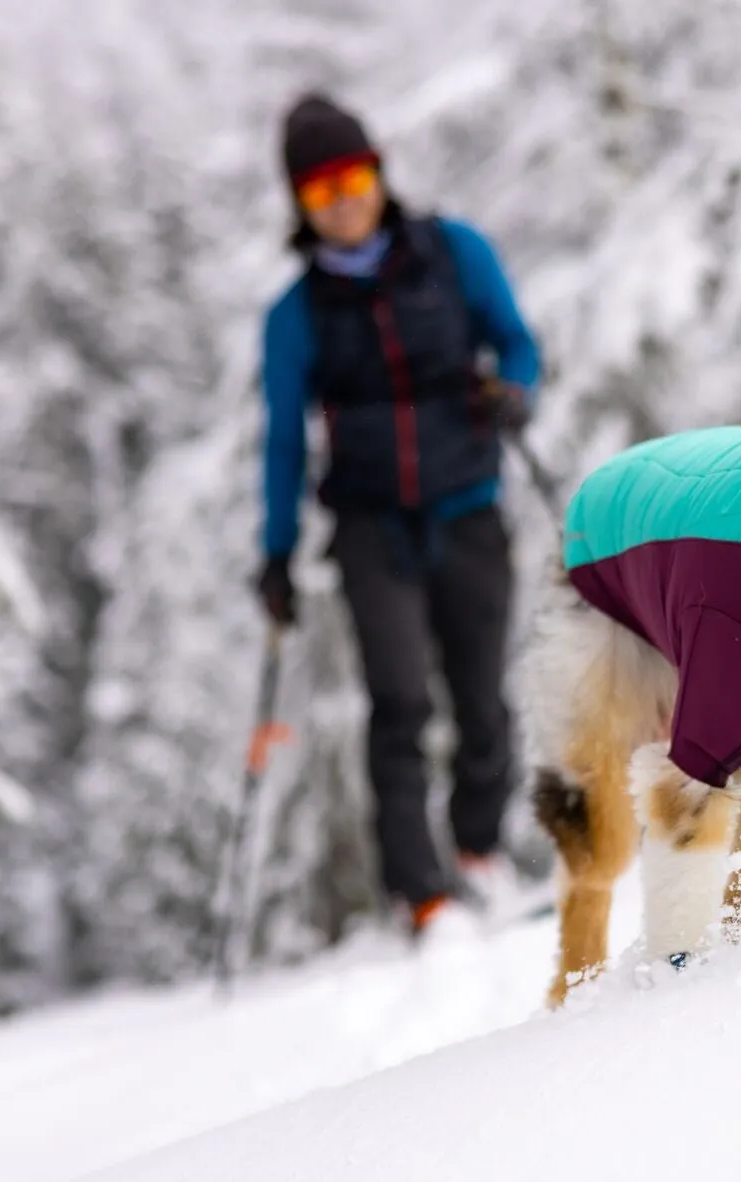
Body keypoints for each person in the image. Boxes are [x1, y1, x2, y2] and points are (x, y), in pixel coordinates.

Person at [255, 94, 541, 938]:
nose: (342, 201)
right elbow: (281, 442)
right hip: (371, 529)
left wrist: (514, 393)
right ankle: (423, 897)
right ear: (301, 207)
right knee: (400, 704)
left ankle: (480, 855)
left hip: (468, 508)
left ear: (377, 170)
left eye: (351, 178)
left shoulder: (454, 254)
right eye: (319, 192)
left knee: (483, 697)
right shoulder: (294, 315)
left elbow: (518, 343)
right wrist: (274, 557)